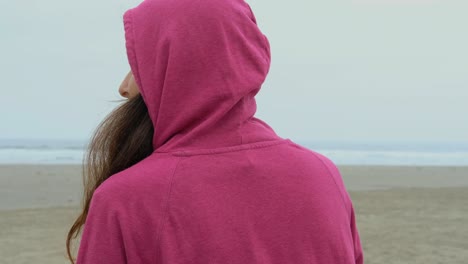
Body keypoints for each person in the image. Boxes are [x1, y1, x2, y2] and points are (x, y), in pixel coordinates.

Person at [66, 0, 364, 263]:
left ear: (177, 66)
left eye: (138, 65)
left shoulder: (124, 200)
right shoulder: (322, 175)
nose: (123, 86)